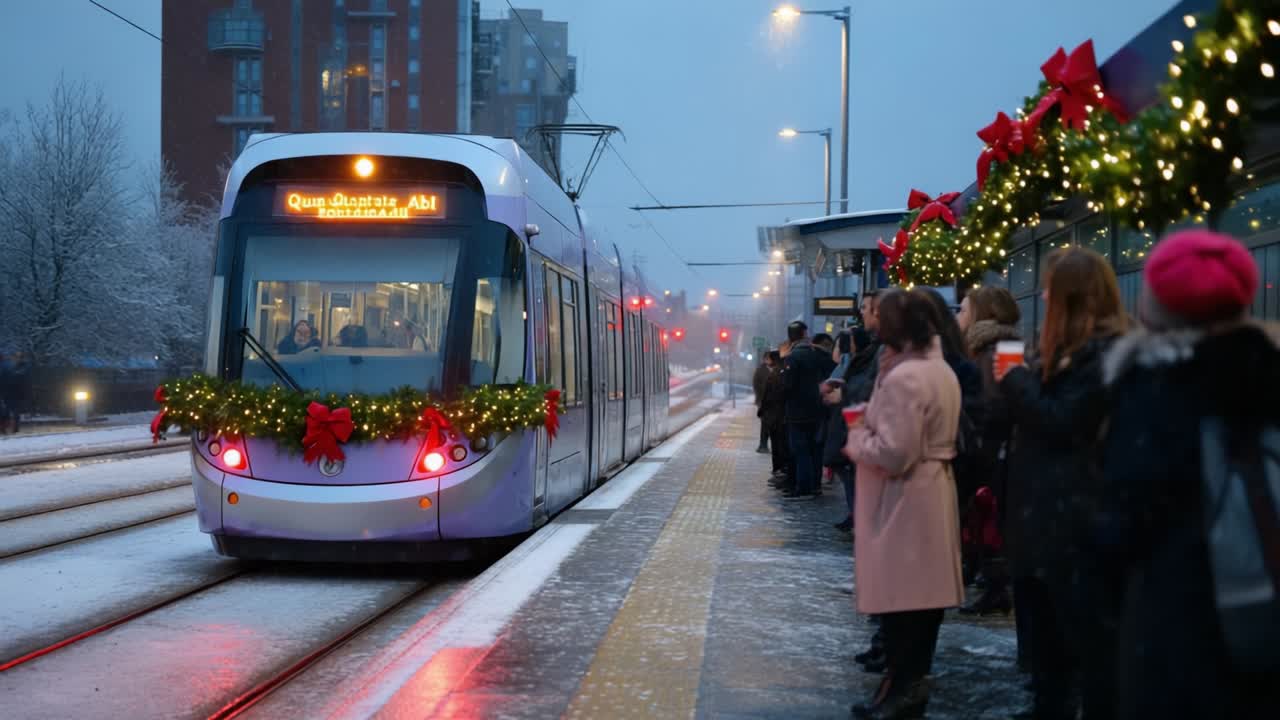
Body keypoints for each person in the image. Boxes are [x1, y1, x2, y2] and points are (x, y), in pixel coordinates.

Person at [1098, 230, 1280, 719]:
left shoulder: (1152, 395)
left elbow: (1120, 526)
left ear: (1153, 309)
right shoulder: (1267, 378)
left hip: (1175, 625)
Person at [995, 246, 1128, 720]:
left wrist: (1013, 377)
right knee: (1049, 651)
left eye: (1052, 288)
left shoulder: (1104, 356)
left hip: (1074, 528)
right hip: (1046, 526)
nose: (1044, 295)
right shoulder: (1064, 353)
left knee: (1086, 655)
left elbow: (1060, 420)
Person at [844, 289, 963, 719]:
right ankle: (907, 687)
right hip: (933, 491)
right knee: (922, 605)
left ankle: (900, 692)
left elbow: (895, 453)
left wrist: (857, 433)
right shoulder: (939, 369)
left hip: (905, 500)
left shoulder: (906, 377)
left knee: (902, 604)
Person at [956, 286, 1022, 617]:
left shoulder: (998, 350)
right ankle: (992, 582)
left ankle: (997, 587)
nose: (958, 317)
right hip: (985, 447)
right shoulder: (982, 349)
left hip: (991, 450)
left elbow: (1000, 403)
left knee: (988, 518)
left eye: (964, 310)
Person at [779, 321, 835, 499]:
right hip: (818, 409)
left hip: (797, 412)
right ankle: (816, 485)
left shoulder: (792, 357)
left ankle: (803, 487)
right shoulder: (818, 354)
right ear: (805, 333)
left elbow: (788, 386)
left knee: (800, 449)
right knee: (815, 449)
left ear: (791, 336)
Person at [757, 351, 789, 481]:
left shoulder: (774, 374)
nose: (767, 362)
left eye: (769, 359)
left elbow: (767, 396)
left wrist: (762, 410)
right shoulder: (783, 372)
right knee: (781, 443)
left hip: (774, 415)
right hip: (782, 414)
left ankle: (778, 468)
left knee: (777, 443)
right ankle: (781, 468)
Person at [753, 355, 772, 453]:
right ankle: (763, 445)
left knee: (769, 423)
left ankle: (765, 444)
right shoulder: (760, 370)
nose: (769, 360)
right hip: (763, 401)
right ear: (764, 359)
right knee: (765, 423)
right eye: (768, 358)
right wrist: (760, 400)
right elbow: (756, 385)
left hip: (773, 402)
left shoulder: (775, 368)